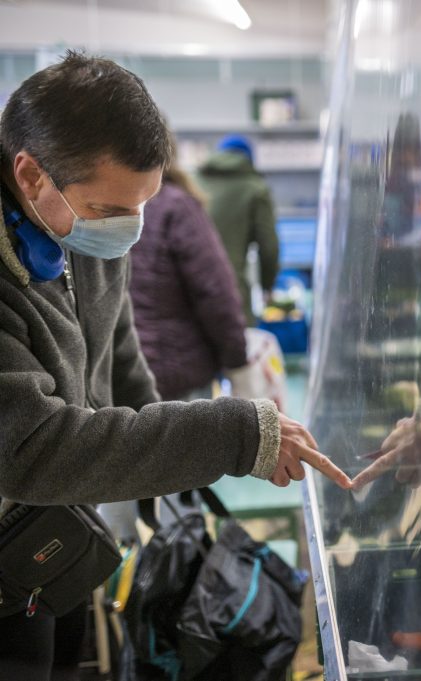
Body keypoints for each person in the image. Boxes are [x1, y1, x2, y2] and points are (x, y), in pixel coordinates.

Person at [0, 52, 350, 679]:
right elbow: (29, 448)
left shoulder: (84, 223)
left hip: (62, 528)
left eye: (143, 205)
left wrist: (166, 487)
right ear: (30, 176)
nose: (129, 228)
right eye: (112, 210)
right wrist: (233, 434)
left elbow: (122, 355)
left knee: (70, 650)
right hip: (9, 540)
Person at [130, 146, 250, 401]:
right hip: (178, 373)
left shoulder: (93, 209)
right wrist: (237, 360)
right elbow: (215, 291)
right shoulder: (176, 205)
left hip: (119, 378)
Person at [196, 134, 279, 325]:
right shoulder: (255, 188)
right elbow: (269, 246)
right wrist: (268, 286)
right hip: (230, 289)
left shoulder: (192, 180)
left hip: (188, 290)